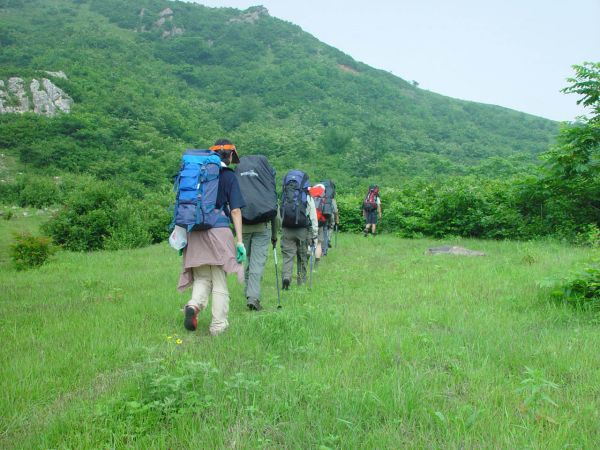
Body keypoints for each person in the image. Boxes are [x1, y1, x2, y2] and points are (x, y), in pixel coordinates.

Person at [177, 139, 247, 336]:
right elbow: (235, 211)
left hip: (194, 232)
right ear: (231, 155)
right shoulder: (228, 176)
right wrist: (239, 241)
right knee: (219, 280)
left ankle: (193, 305)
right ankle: (218, 325)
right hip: (218, 231)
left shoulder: (198, 175)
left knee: (202, 277)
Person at [235, 155, 280, 311]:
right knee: (257, 263)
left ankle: (249, 294)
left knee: (248, 261)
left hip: (243, 227)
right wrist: (274, 236)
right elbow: (275, 213)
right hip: (262, 227)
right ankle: (253, 297)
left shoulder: (240, 180)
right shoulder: (266, 183)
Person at [280, 170, 318, 289]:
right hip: (302, 230)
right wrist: (314, 234)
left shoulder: (285, 194)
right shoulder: (306, 196)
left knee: (288, 256)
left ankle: (286, 277)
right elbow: (313, 217)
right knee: (302, 257)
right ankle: (301, 282)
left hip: (287, 228)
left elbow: (280, 212)